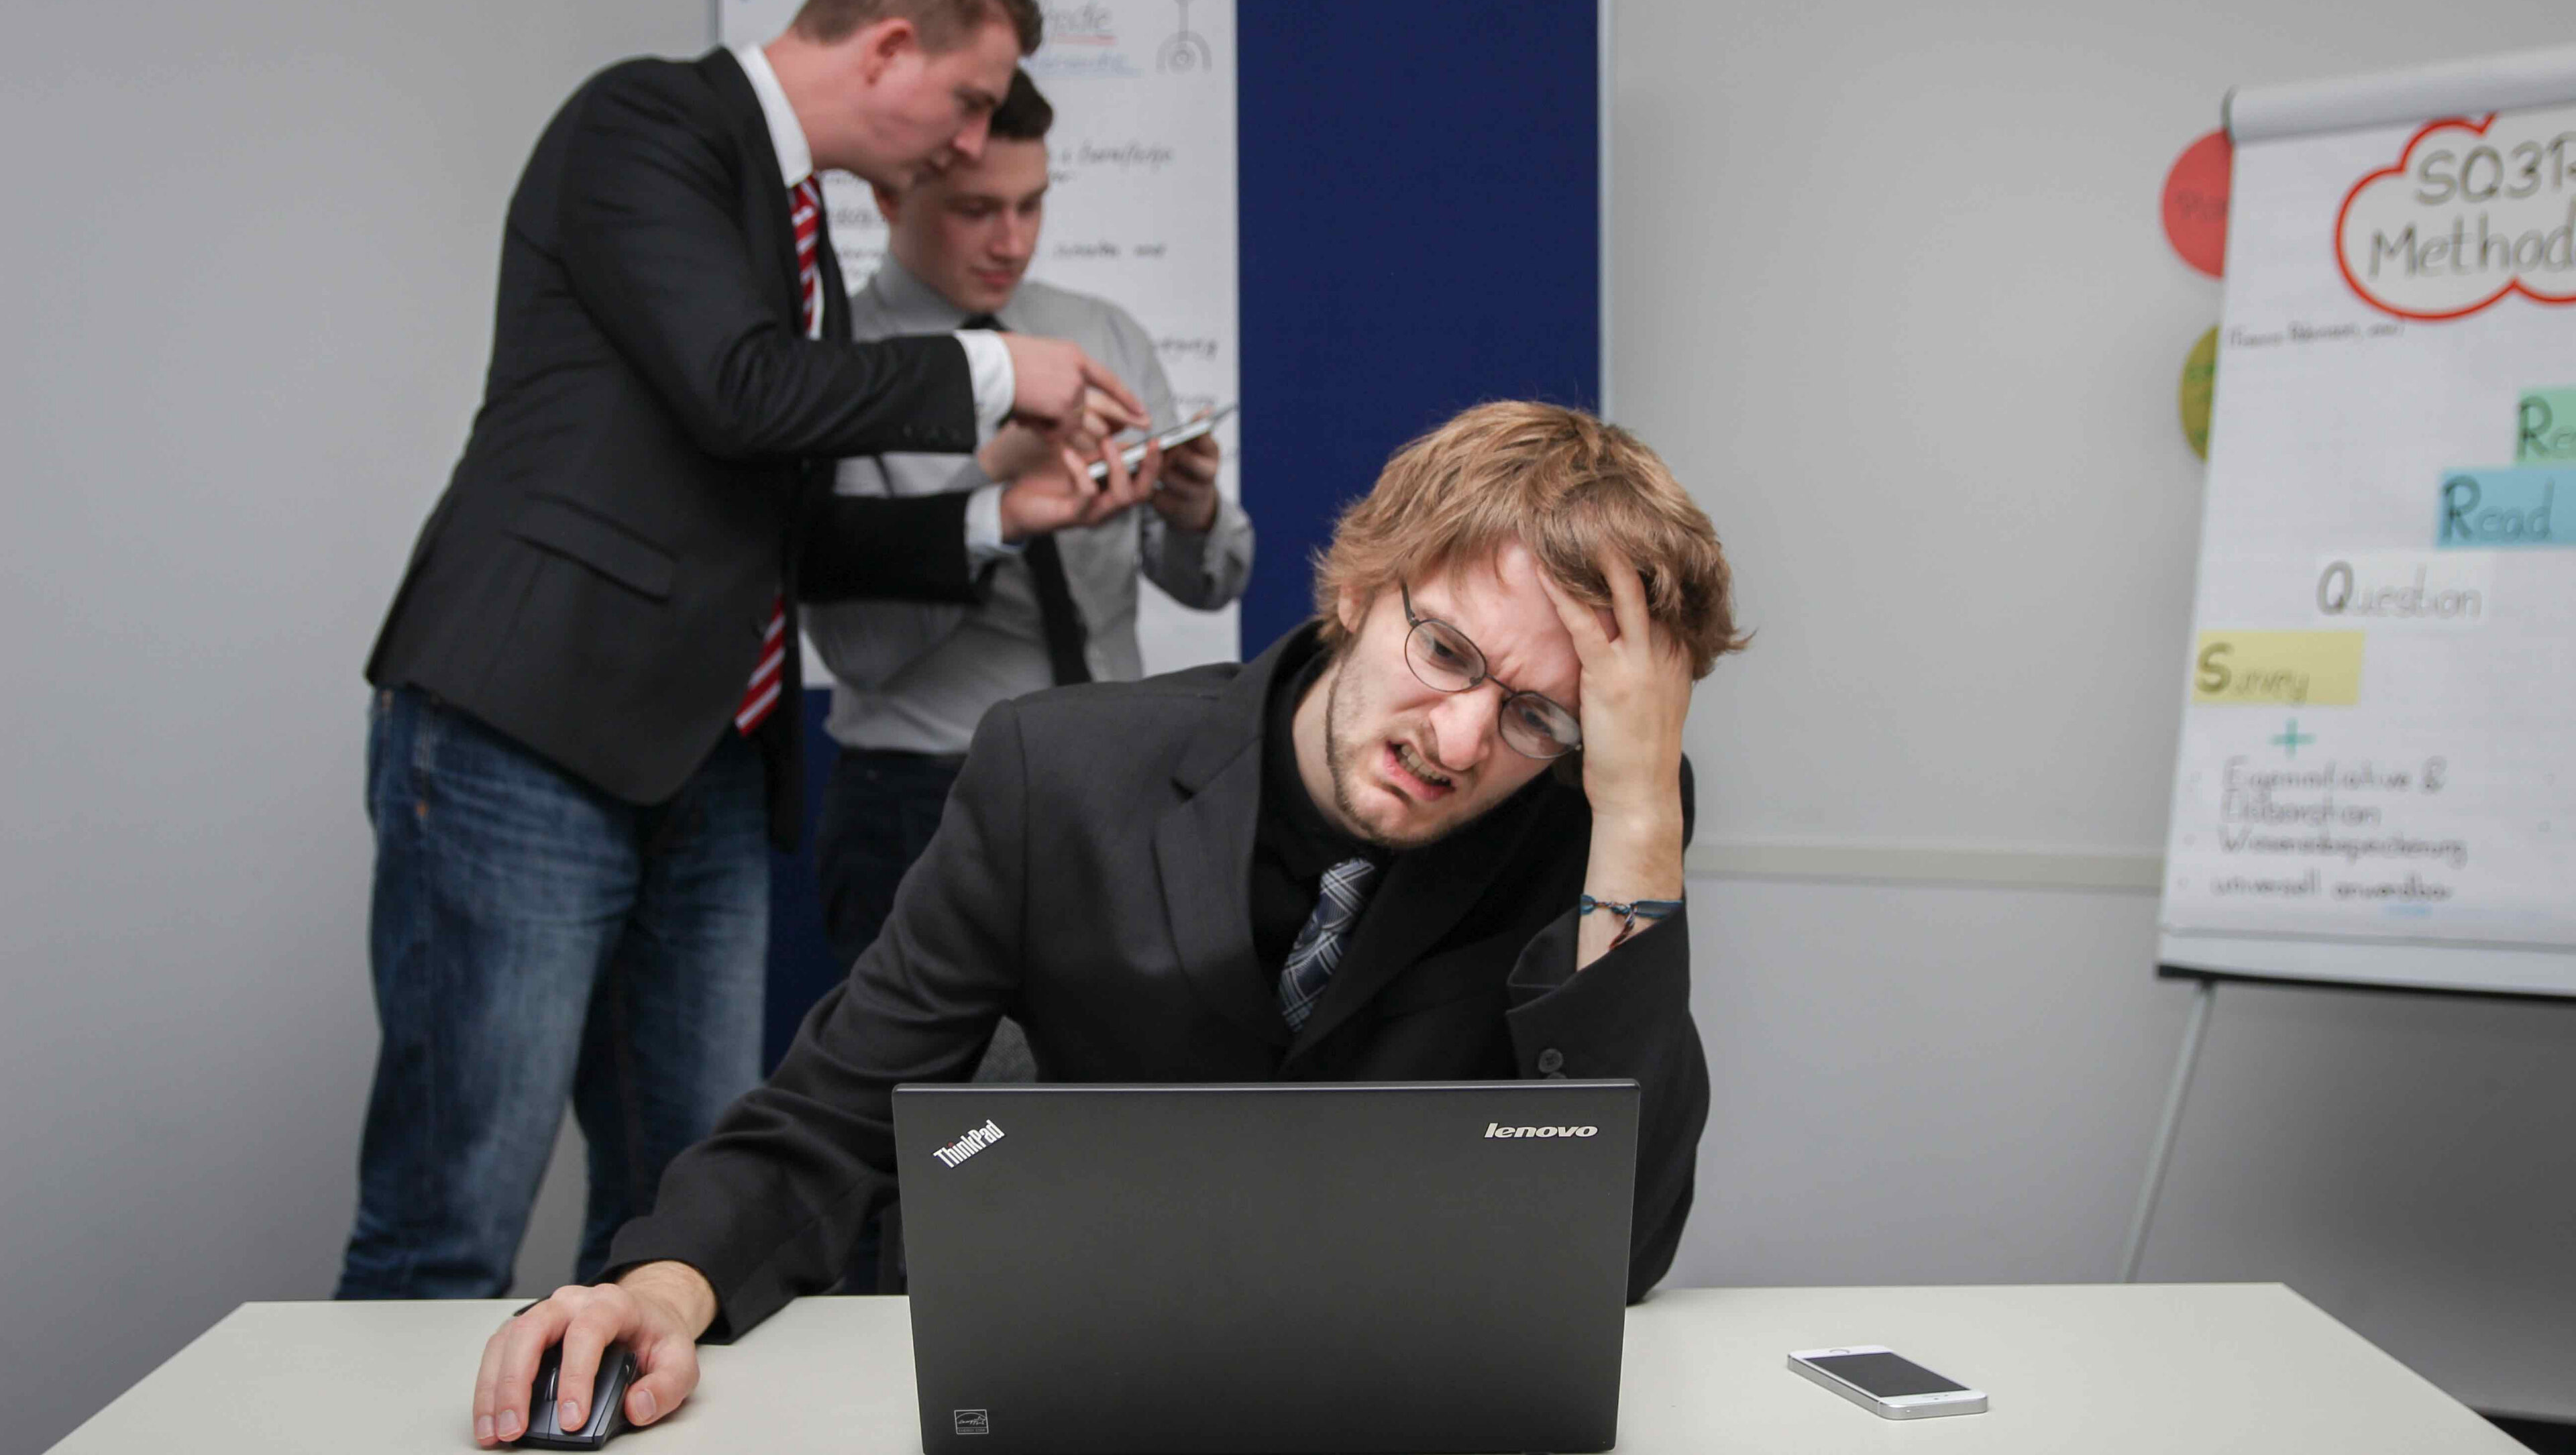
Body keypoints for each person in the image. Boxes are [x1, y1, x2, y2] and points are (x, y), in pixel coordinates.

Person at [466, 402, 1746, 1447]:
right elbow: (834, 1110)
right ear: (1364, 586)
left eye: (1537, 716)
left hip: (1402, 1404)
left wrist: (1639, 810)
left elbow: (1618, 1249)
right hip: (1083, 1392)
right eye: (1449, 654)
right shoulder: (1060, 775)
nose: (1461, 740)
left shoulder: (1590, 826)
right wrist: (661, 1287)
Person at [341, 0, 1149, 1302]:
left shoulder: (797, 236)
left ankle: (606, 1400)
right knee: (449, 1221)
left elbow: (783, 528)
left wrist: (999, 513)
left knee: (678, 1225)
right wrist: (1001, 371)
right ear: (887, 49)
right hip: (529, 736)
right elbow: (740, 393)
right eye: (967, 100)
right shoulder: (644, 125)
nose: (971, 142)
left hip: (707, 763)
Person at [804, 66, 1254, 998]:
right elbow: (860, 652)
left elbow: (1213, 581)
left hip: (1123, 782)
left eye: (1032, 204)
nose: (1012, 240)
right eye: (976, 210)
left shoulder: (1099, 333)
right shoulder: (838, 371)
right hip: (924, 797)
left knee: (1134, 1076)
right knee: (924, 1084)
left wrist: (1191, 511)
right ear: (890, 195)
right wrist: (994, 483)